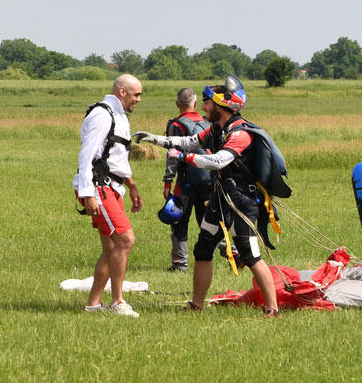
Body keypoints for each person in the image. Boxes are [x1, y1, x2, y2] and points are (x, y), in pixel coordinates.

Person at [134, 75, 281, 316]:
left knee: (250, 255)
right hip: (221, 199)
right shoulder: (216, 129)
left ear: (221, 104)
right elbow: (190, 141)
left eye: (206, 102)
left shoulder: (240, 133)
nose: (202, 107)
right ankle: (197, 305)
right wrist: (157, 139)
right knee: (203, 250)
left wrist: (184, 158)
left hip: (241, 202)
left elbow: (218, 160)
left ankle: (273, 309)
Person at [73, 74, 143, 317]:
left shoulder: (119, 115)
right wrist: (88, 194)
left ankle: (93, 304)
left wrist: (131, 185)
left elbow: (116, 157)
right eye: (136, 94)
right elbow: (86, 155)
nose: (139, 100)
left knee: (111, 247)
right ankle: (118, 302)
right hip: (99, 188)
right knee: (125, 240)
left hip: (112, 187)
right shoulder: (102, 115)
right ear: (122, 91)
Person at [162, 88, 211, 272]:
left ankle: (180, 264)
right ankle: (232, 254)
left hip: (186, 182)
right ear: (196, 104)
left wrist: (168, 182)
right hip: (209, 179)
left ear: (177, 104)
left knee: (179, 221)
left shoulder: (176, 124)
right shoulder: (208, 123)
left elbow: (172, 155)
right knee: (209, 222)